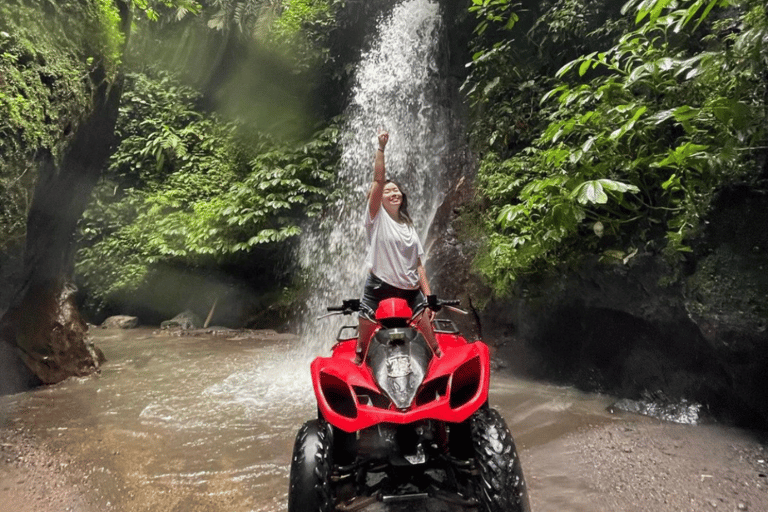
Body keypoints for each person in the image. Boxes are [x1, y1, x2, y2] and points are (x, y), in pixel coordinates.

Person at [354, 129, 442, 365]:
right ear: (379, 197)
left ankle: (436, 362)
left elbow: (418, 264)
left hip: (410, 288)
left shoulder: (408, 225)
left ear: (402, 196)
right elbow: (378, 180)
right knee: (360, 347)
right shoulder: (376, 218)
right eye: (388, 191)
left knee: (434, 344)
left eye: (396, 191)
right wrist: (381, 148)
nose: (393, 193)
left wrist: (429, 295)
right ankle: (361, 357)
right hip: (379, 285)